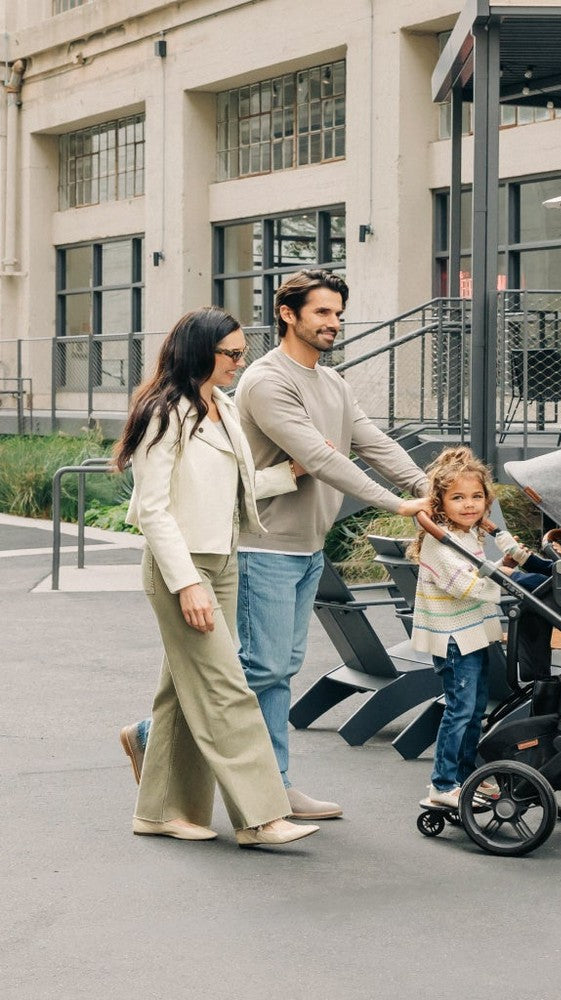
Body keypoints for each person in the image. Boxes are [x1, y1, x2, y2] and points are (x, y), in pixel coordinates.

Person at [121, 273, 429, 820]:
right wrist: (397, 504)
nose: (334, 323)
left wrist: (428, 489)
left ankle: (161, 738)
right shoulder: (266, 382)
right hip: (264, 547)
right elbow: (322, 458)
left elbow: (371, 441)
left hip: (308, 545)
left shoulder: (333, 384)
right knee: (259, 669)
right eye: (323, 313)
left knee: (273, 666)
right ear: (289, 314)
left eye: (338, 313)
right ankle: (271, 785)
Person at [116, 306, 319, 846]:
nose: (238, 362)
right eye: (230, 353)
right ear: (198, 351)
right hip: (181, 566)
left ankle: (158, 810)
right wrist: (186, 583)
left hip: (224, 560)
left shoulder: (221, 407)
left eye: (241, 353)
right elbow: (154, 509)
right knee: (229, 689)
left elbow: (236, 480)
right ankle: (261, 816)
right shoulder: (163, 413)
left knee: (185, 691)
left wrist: (290, 473)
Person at [408, 447, 510, 808]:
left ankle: (469, 776)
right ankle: (443, 782)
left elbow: (482, 572)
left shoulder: (469, 535)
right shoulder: (440, 543)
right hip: (454, 639)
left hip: (473, 635)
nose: (469, 505)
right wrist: (508, 579)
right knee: (460, 709)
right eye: (458, 498)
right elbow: (465, 585)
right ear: (440, 503)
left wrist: (502, 558)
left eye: (476, 497)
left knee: (476, 707)